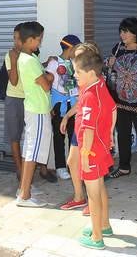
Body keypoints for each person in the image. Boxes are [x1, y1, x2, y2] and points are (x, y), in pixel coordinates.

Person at [73, 42, 117, 250]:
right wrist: (110, 135)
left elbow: (88, 127)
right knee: (100, 189)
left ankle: (97, 237)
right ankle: (104, 225)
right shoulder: (100, 85)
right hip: (101, 148)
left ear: (90, 73)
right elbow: (113, 109)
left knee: (92, 195)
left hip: (90, 152)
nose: (75, 76)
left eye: (78, 72)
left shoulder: (90, 96)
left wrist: (83, 156)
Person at [107, 18, 137, 179]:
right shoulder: (118, 48)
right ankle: (124, 166)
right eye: (121, 31)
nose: (122, 35)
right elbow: (111, 68)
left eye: (126, 31)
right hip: (120, 98)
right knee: (122, 133)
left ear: (135, 32)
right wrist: (109, 63)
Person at [16, 21, 54, 207]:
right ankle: (24, 195)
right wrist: (51, 77)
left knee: (29, 149)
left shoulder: (28, 58)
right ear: (30, 39)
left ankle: (24, 187)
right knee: (32, 151)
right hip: (37, 110)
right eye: (38, 39)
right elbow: (46, 84)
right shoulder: (29, 60)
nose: (40, 43)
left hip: (35, 108)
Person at [47, 34, 82, 181]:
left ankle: (73, 165)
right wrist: (49, 106)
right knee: (59, 136)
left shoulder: (76, 63)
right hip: (58, 104)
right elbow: (48, 85)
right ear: (70, 48)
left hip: (72, 103)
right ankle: (60, 167)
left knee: (74, 135)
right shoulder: (54, 63)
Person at [4, 23, 26, 181]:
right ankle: (19, 169)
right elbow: (13, 80)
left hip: (29, 99)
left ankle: (38, 168)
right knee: (15, 136)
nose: (15, 42)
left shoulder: (31, 55)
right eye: (14, 38)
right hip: (14, 99)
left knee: (32, 136)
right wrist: (13, 59)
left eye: (18, 39)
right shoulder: (9, 55)